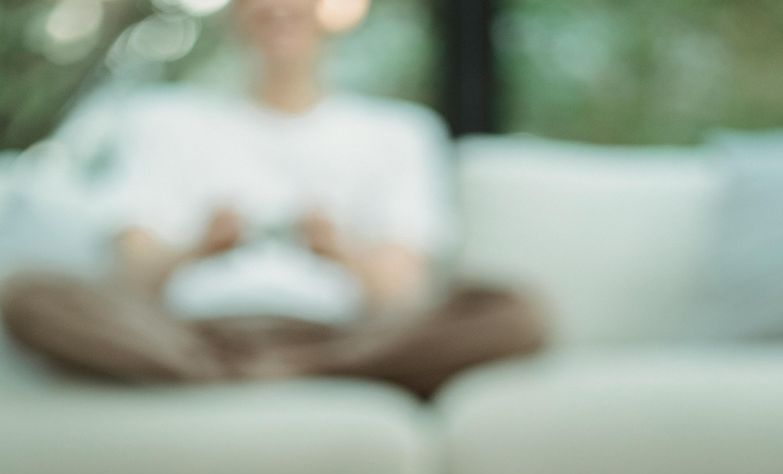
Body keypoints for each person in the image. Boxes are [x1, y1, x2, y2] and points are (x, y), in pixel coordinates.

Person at [1, 0, 545, 399]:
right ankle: (259, 374)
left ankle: (286, 372)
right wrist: (197, 250)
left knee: (514, 313)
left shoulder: (399, 132)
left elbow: (405, 294)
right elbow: (130, 277)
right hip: (190, 337)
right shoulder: (163, 121)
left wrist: (339, 253)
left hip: (343, 338)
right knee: (28, 295)